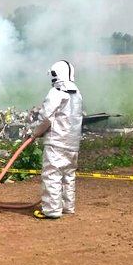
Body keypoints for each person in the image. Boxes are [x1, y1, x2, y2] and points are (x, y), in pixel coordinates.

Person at [31, 60, 83, 220]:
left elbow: (46, 118)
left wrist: (35, 133)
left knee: (52, 175)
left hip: (56, 142)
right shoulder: (77, 94)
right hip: (73, 143)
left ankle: (52, 210)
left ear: (55, 75)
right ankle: (68, 207)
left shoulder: (56, 92)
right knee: (68, 175)